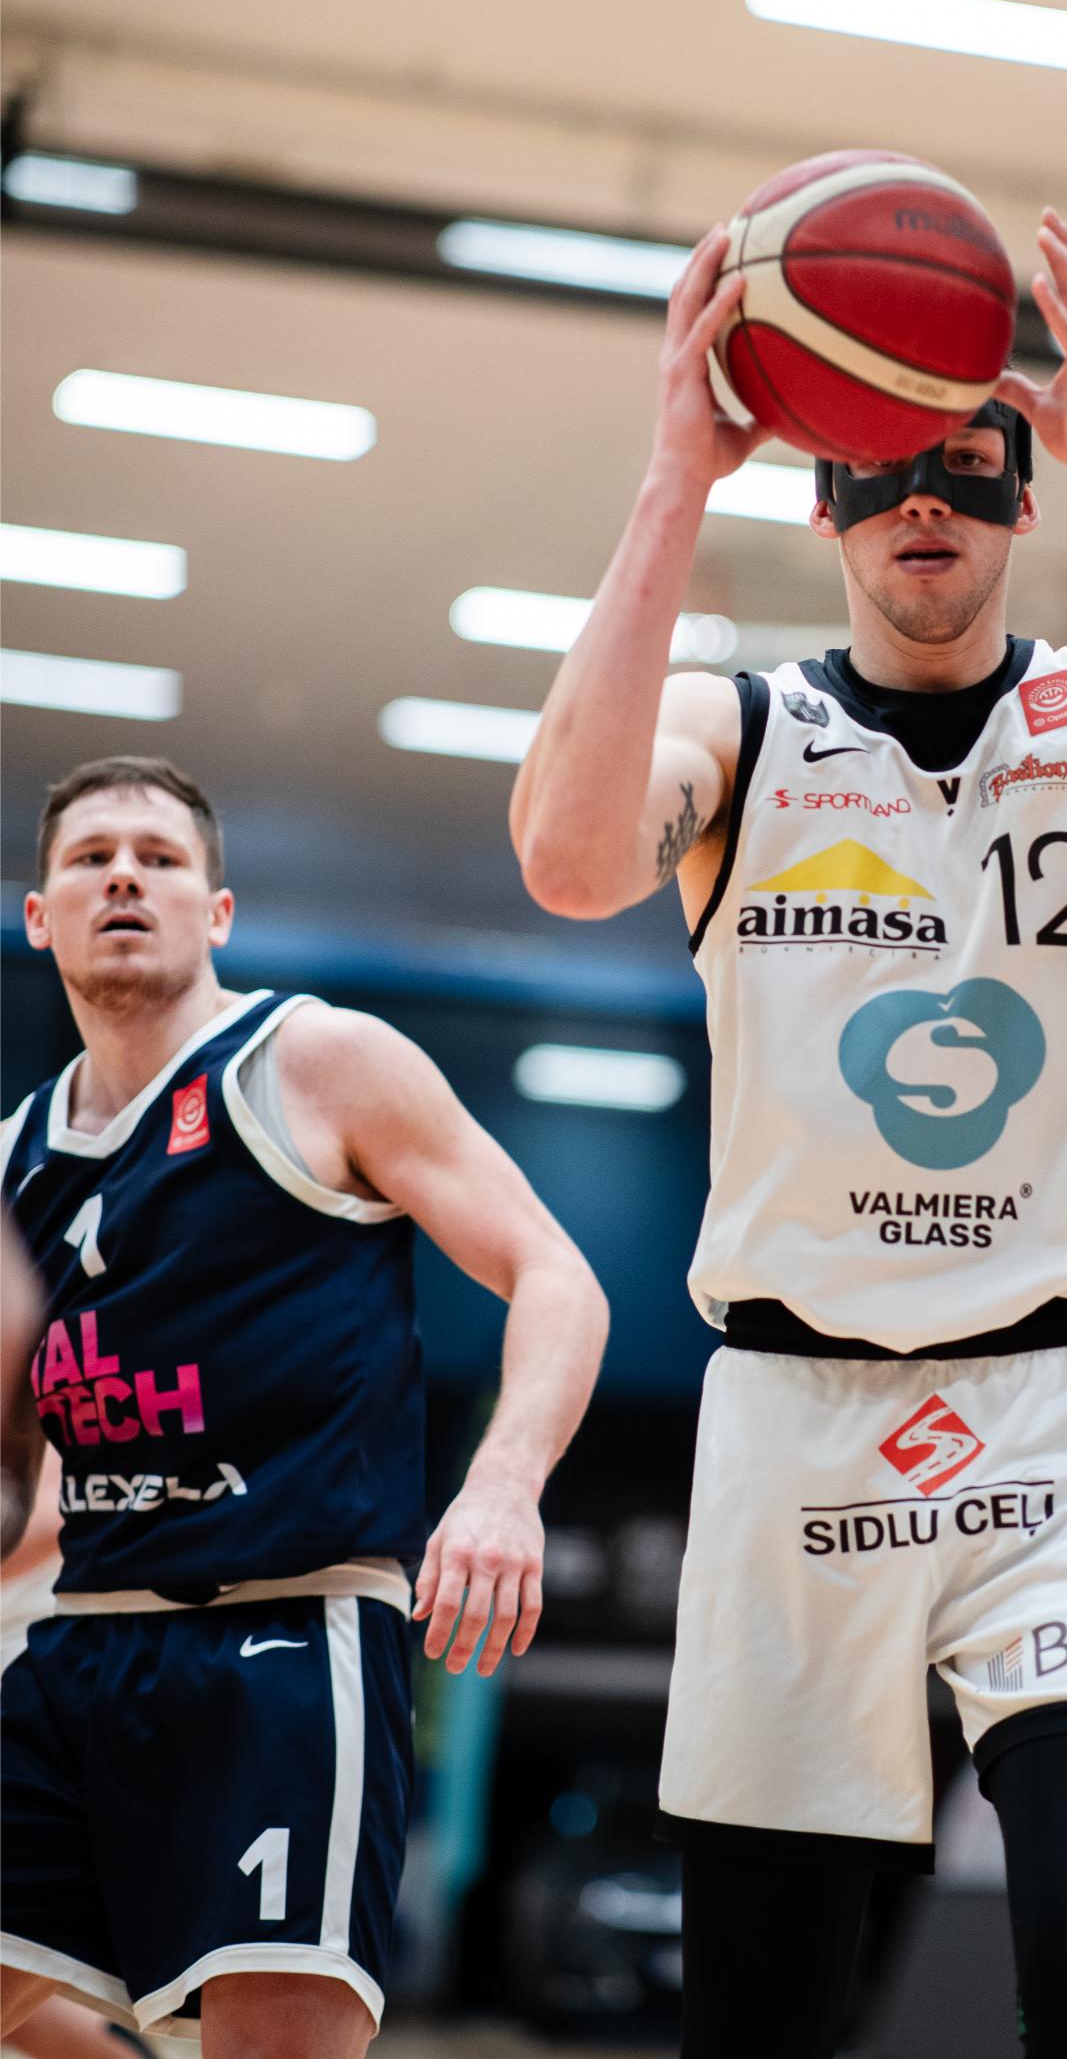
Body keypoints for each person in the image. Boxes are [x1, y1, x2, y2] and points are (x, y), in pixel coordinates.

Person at [508, 207, 1067, 2059]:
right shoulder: (736, 734)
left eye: (969, 466)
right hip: (797, 1419)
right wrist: (671, 479)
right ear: (824, 500)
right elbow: (569, 863)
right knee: (758, 2014)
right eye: (883, 464)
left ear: (1018, 502)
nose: (924, 497)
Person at [0, 756, 609, 2056]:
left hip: (286, 1639)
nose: (124, 876)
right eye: (91, 857)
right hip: (78, 1647)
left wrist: (503, 1486)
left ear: (217, 911)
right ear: (40, 916)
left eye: (160, 858)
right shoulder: (15, 1157)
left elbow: (556, 1275)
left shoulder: (317, 1061)